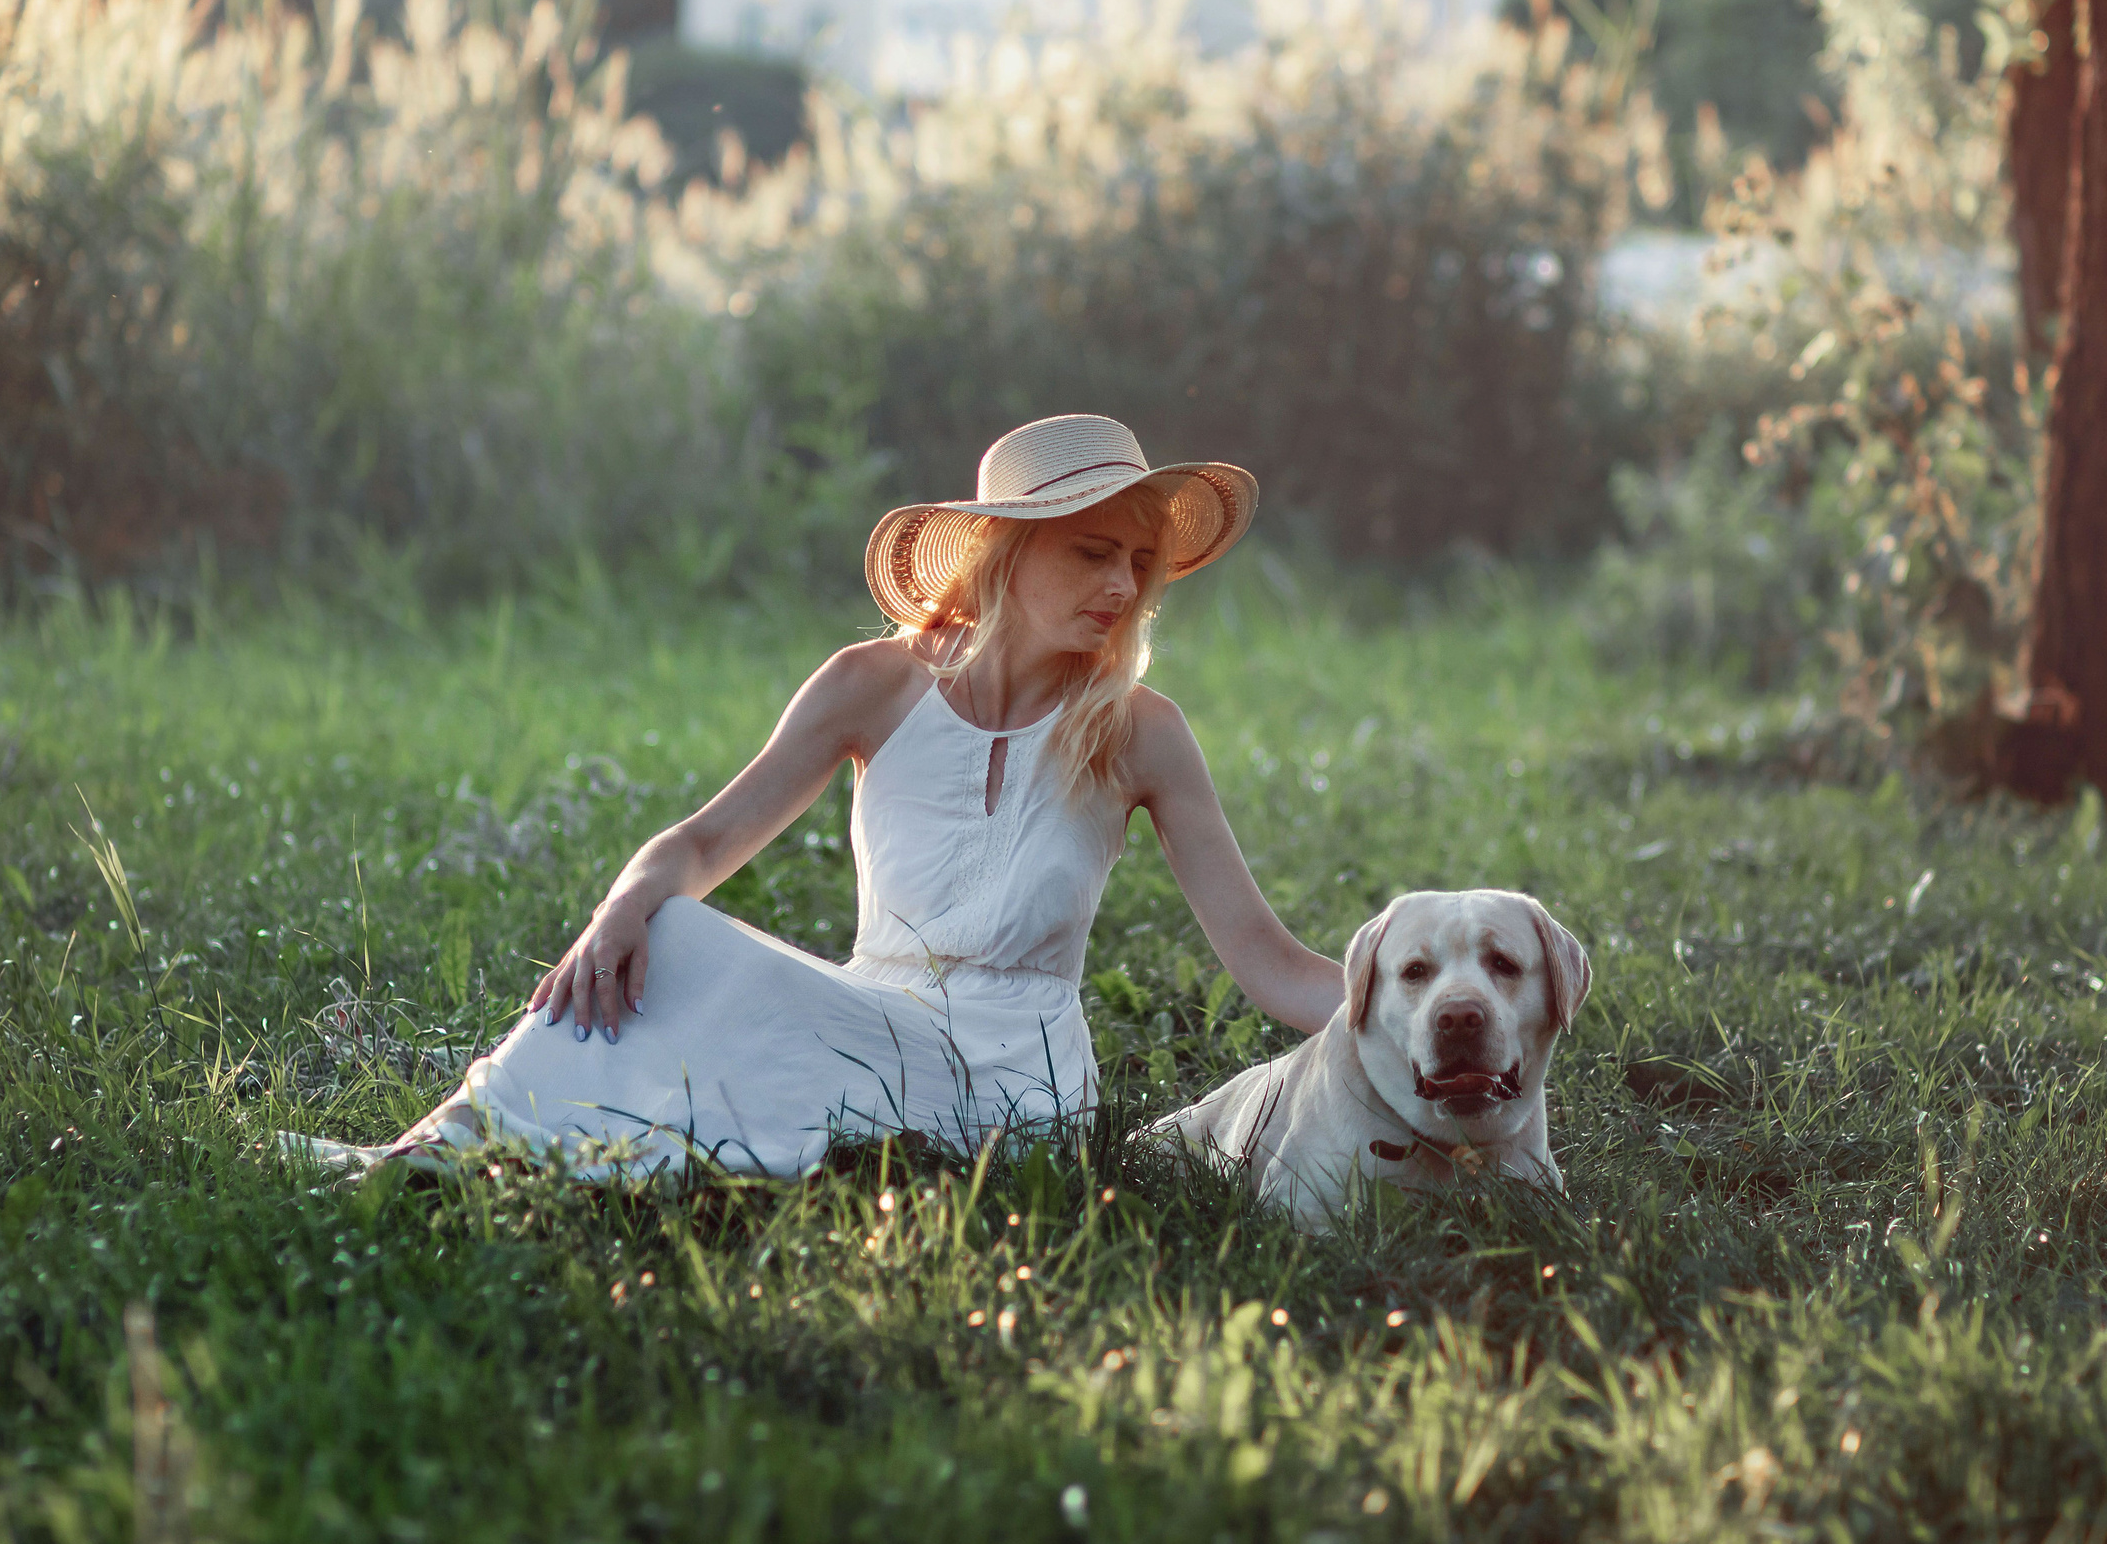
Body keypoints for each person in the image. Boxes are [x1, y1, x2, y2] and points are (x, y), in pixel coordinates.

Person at [277, 414, 1346, 1181]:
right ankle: (444, 1150)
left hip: (1021, 1086)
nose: (1121, 588)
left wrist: (1430, 1012)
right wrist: (620, 909)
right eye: (1092, 553)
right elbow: (701, 841)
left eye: (1139, 562)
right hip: (871, 1020)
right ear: (1007, 553)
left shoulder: (1139, 732)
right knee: (671, 928)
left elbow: (1270, 962)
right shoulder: (870, 687)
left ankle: (497, 1158)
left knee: (707, 974)